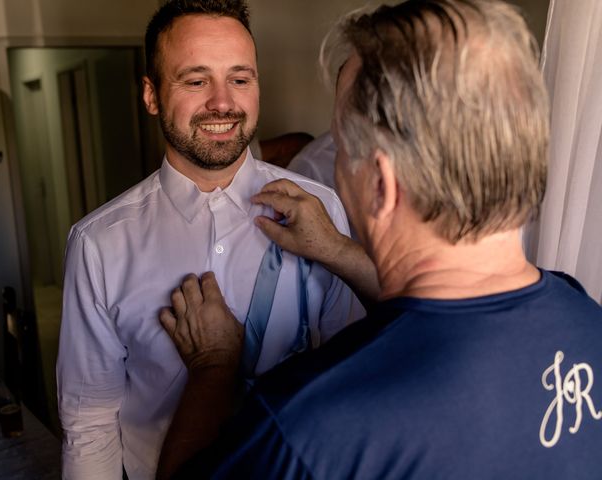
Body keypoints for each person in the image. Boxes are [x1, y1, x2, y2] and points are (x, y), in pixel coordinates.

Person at [156, 0, 602, 478]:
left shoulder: (312, 421)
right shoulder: (583, 315)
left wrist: (214, 369)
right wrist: (336, 250)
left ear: (381, 184)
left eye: (341, 150)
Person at [55, 1, 362, 478]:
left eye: (240, 79)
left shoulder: (320, 209)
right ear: (152, 94)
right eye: (197, 81)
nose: (223, 102)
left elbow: (351, 373)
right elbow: (90, 424)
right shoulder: (99, 244)